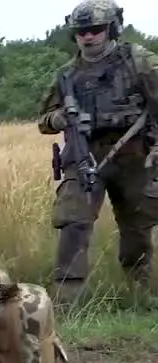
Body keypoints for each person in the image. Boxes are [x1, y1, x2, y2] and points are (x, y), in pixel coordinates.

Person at [37, 0, 158, 307]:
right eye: (81, 32)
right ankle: (67, 301)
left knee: (137, 226)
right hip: (84, 156)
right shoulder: (67, 75)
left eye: (95, 30)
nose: (88, 37)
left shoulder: (138, 61)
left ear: (110, 29)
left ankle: (140, 295)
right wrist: (61, 118)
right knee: (73, 223)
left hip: (134, 155)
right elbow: (44, 120)